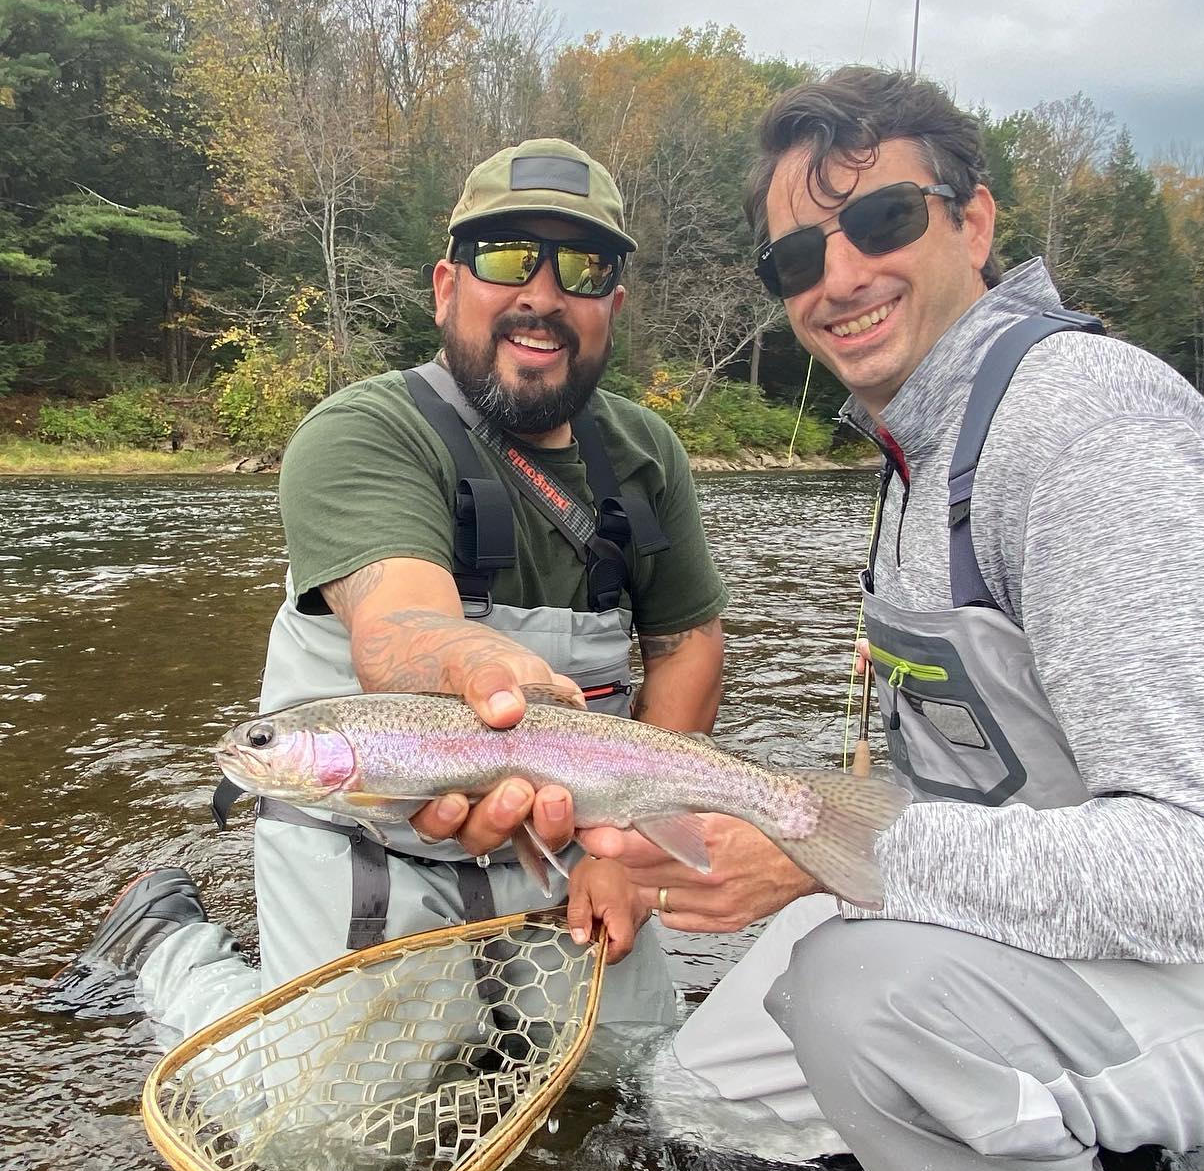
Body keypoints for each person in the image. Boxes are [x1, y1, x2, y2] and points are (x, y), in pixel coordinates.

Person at [585, 68, 1204, 1171]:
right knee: (707, 1104)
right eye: (798, 254)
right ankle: (1060, 1130)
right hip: (1029, 926)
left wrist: (812, 850)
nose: (839, 276)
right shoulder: (918, 449)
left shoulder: (1092, 436)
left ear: (974, 222)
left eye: (883, 221)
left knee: (856, 1002)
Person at [51, 137, 726, 1042]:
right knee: (327, 1147)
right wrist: (476, 664)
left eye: (584, 266)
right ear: (447, 285)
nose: (542, 292)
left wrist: (628, 852)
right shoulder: (361, 431)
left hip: (563, 826)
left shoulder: (649, 456)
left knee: (631, 1083)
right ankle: (165, 944)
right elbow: (401, 618)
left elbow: (687, 645)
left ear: (614, 302)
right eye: (506, 256)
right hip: (362, 834)